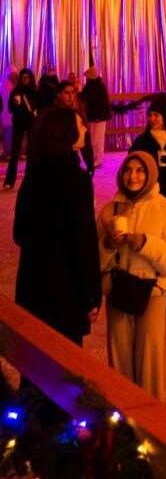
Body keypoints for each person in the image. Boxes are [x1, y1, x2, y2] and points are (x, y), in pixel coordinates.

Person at [97, 151, 166, 397]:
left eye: (140, 171)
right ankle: (121, 409)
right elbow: (93, 260)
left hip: (152, 293)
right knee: (120, 358)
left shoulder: (164, 209)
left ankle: (149, 413)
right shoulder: (109, 211)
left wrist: (146, 244)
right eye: (128, 170)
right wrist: (108, 245)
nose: (133, 176)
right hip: (118, 292)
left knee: (149, 360)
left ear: (150, 174)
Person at [13, 103, 101, 346]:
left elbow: (19, 232)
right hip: (66, 287)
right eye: (80, 125)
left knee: (35, 354)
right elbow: (85, 241)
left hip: (32, 281)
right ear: (66, 133)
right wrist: (92, 294)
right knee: (64, 359)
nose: (86, 129)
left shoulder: (34, 174)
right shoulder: (77, 180)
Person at [131, 100, 166, 304]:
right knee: (153, 242)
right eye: (150, 115)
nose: (152, 119)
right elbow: (133, 162)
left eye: (156, 115)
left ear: (164, 116)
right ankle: (153, 287)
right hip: (151, 196)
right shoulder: (142, 141)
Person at [4, 67, 37, 190]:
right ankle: (9, 180)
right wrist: (18, 107)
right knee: (15, 152)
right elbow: (10, 108)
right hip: (19, 123)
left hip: (31, 123)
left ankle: (30, 180)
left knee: (31, 152)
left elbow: (39, 106)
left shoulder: (34, 91)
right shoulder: (16, 91)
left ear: (31, 78)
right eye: (23, 77)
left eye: (27, 77)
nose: (25, 79)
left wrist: (35, 112)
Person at [80, 66, 112, 170]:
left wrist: (98, 116)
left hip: (99, 117)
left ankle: (98, 159)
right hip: (95, 116)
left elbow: (101, 103)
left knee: (98, 138)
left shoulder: (97, 86)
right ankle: (95, 158)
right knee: (94, 138)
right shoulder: (94, 85)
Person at [1, 67, 17, 159]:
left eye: (15, 75)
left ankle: (12, 152)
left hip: (14, 115)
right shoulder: (2, 86)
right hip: (5, 115)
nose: (14, 77)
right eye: (12, 75)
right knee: (7, 134)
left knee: (13, 134)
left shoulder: (17, 87)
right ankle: (7, 152)